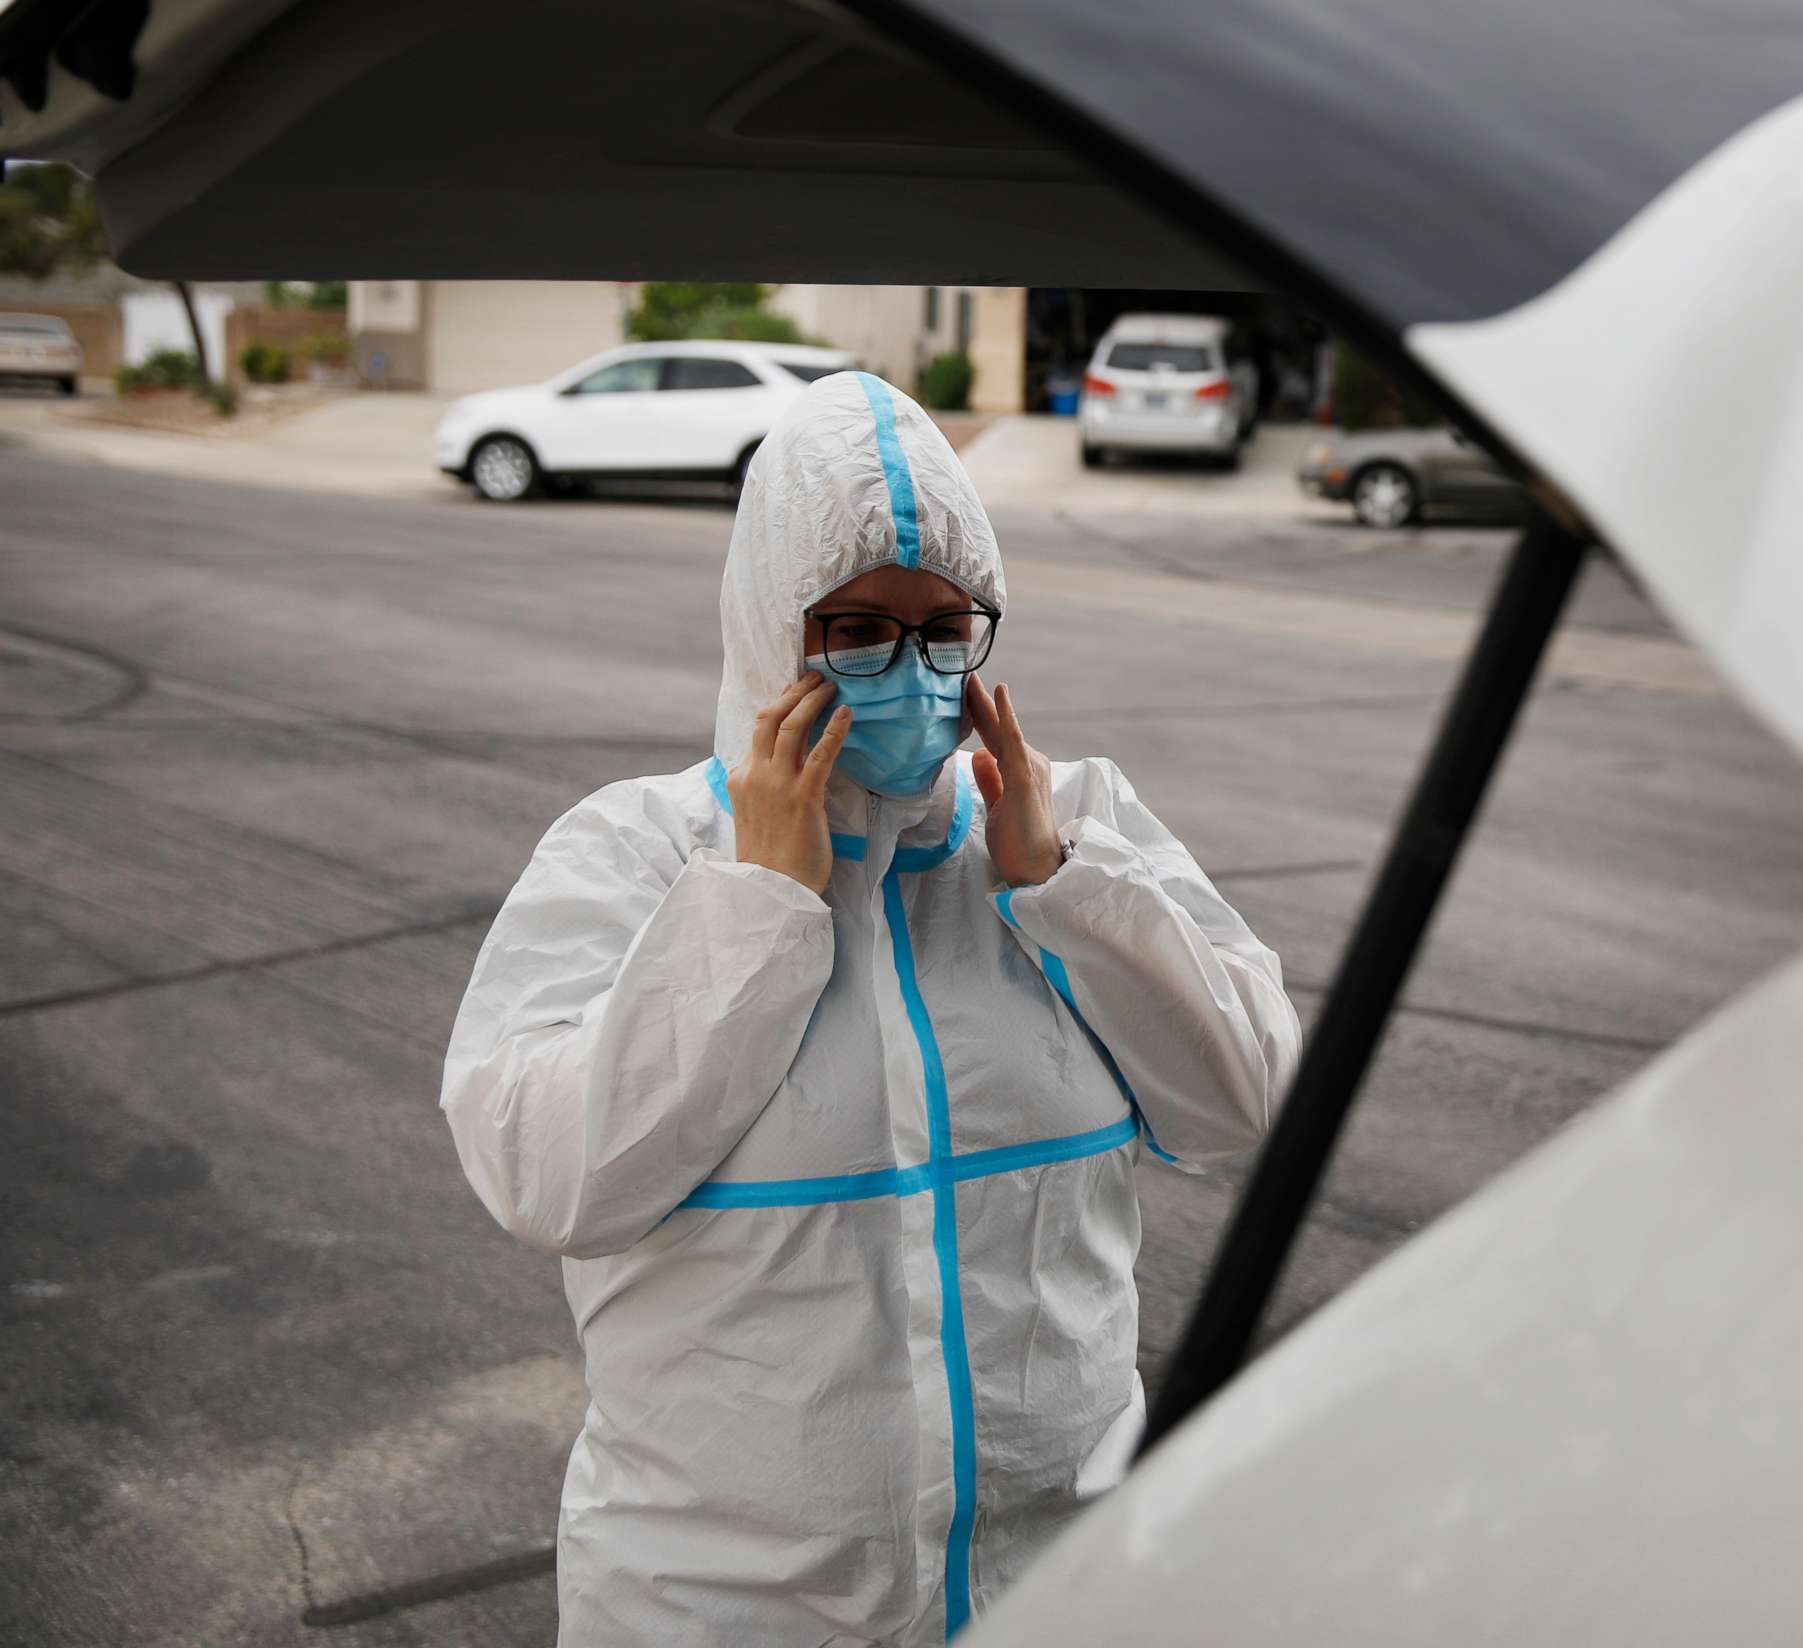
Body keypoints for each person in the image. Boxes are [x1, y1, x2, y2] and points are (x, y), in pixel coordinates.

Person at [441, 372, 1303, 1646]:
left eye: (946, 627)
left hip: (1059, 1586)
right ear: (766, 630)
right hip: (729, 1608)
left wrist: (1061, 888)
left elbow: (1238, 1097)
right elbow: (552, 1180)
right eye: (854, 630)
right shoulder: (633, 853)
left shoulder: (1077, 824)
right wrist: (753, 906)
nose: (910, 674)